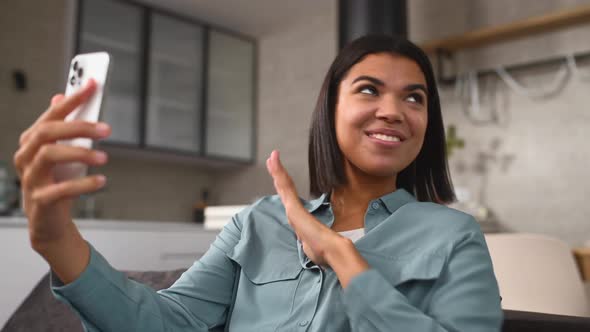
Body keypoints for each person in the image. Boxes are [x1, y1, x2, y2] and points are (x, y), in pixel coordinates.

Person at [13, 35, 503, 331]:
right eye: (369, 89)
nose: (393, 110)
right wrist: (58, 241)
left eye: (414, 98)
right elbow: (166, 324)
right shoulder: (258, 222)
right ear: (329, 111)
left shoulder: (453, 236)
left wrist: (340, 256)